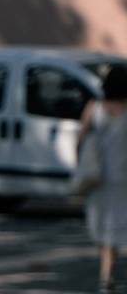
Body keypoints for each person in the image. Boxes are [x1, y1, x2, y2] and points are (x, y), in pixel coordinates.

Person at [79, 64, 127, 293]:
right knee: (115, 227)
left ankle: (105, 274)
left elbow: (80, 139)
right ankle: (108, 274)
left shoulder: (93, 108)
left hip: (97, 177)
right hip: (122, 178)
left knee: (102, 226)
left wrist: (81, 162)